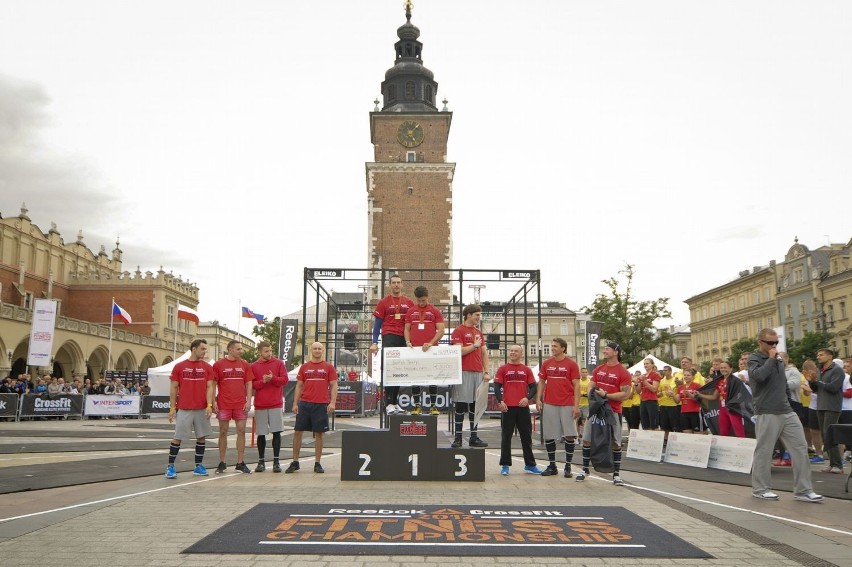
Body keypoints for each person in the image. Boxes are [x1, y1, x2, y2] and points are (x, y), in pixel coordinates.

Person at [747, 328, 822, 502]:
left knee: (800, 448)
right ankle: (760, 489)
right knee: (764, 451)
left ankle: (803, 490)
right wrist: (772, 360)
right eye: (770, 342)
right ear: (760, 342)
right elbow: (758, 377)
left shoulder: (779, 360)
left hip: (786, 410)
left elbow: (783, 384)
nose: (774, 345)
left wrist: (790, 403)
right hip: (766, 410)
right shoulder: (754, 359)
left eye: (776, 342)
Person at [577, 342, 632, 485]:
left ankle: (616, 474)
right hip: (596, 410)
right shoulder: (599, 369)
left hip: (613, 411)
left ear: (616, 352)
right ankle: (584, 469)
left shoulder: (623, 372)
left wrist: (606, 395)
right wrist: (590, 392)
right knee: (587, 439)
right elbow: (592, 383)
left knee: (615, 442)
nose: (605, 351)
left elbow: (626, 394)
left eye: (607, 349)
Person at [165, 339, 216, 479]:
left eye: (206, 349)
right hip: (185, 408)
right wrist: (172, 408)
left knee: (201, 437)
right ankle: (170, 467)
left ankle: (198, 466)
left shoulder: (207, 367)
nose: (205, 351)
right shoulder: (179, 366)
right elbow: (174, 388)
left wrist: (209, 405)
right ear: (194, 349)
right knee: (178, 437)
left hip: (201, 408)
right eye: (202, 349)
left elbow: (210, 387)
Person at [287, 342, 338, 473]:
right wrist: (295, 403)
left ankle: (317, 463)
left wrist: (332, 402)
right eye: (314, 348)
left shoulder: (329, 367)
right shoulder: (304, 367)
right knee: (298, 431)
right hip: (305, 403)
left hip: (321, 404)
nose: (317, 351)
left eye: (319, 349)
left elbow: (334, 385)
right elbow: (299, 386)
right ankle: (295, 461)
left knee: (319, 434)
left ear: (323, 350)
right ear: (311, 350)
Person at [536, 338, 580, 477]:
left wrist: (576, 406)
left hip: (567, 403)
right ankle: (552, 465)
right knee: (549, 435)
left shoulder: (571, 364)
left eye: (555, 346)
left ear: (563, 348)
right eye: (551, 346)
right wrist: (538, 398)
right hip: (550, 403)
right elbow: (542, 382)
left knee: (569, 435)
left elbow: (577, 385)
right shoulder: (547, 363)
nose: (552, 348)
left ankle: (568, 466)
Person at [495, 345, 542, 475]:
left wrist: (527, 398)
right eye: (511, 351)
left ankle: (530, 465)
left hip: (522, 408)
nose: (513, 353)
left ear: (521, 353)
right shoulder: (503, 369)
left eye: (516, 351)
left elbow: (533, 387)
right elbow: (497, 386)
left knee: (526, 437)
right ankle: (505, 465)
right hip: (507, 408)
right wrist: (500, 401)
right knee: (506, 437)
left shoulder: (526, 370)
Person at [370, 274, 414, 415]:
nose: (396, 285)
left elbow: (412, 323)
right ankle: (388, 403)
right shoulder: (383, 302)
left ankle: (395, 403)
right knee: (389, 369)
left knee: (399, 370)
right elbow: (377, 325)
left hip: (404, 337)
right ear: (389, 285)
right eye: (393, 282)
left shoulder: (409, 302)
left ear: (402, 284)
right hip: (389, 336)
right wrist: (374, 342)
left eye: (398, 282)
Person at [450, 304, 489, 448]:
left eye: (480, 315)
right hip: (463, 371)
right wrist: (474, 346)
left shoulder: (479, 332)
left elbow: (484, 353)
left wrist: (486, 371)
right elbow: (458, 351)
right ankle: (458, 438)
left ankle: (474, 436)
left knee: (475, 405)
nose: (479, 317)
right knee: (461, 405)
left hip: (478, 372)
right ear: (468, 315)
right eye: (477, 315)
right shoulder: (458, 330)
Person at [212, 340, 254, 474]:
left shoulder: (245, 364)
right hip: (224, 403)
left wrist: (248, 401)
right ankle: (222, 462)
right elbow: (213, 384)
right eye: (238, 349)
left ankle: (240, 462)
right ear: (230, 349)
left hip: (240, 404)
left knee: (241, 431)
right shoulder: (218, 365)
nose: (241, 351)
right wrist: (213, 401)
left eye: (241, 349)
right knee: (223, 431)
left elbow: (248, 383)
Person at [404, 285, 445, 415]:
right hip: (415, 350)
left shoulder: (435, 311)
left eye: (423, 300)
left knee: (432, 378)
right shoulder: (411, 311)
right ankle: (417, 406)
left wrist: (431, 343)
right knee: (415, 378)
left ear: (428, 297)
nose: (421, 303)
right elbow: (407, 329)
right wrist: (408, 341)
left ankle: (433, 406)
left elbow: (441, 330)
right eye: (419, 300)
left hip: (431, 351)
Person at [251, 340, 288, 473]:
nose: (269, 353)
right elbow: (252, 385)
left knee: (277, 432)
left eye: (270, 350)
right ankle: (261, 461)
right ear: (260, 352)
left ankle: (276, 461)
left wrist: (273, 379)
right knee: (261, 434)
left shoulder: (278, 363)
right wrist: (263, 381)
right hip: (260, 404)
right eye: (266, 351)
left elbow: (285, 380)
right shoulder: (254, 366)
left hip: (275, 403)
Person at [806, 349, 845, 474]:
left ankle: (838, 465)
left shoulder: (837, 370)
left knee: (830, 434)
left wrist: (817, 381)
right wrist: (811, 381)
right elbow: (816, 390)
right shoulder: (820, 370)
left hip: (832, 406)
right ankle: (832, 464)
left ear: (830, 356)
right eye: (817, 354)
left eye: (821, 354)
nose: (818, 357)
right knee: (825, 435)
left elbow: (833, 387)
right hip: (821, 405)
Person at [673, 367, 704, 433]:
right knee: (686, 433)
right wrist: (672, 395)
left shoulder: (697, 386)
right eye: (685, 375)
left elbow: (699, 400)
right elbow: (677, 401)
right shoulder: (680, 387)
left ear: (693, 377)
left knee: (697, 433)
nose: (686, 377)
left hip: (694, 412)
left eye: (688, 375)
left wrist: (689, 394)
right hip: (683, 412)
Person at [658, 365, 681, 438]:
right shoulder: (661, 381)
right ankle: (666, 440)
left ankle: (675, 440)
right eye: (663, 370)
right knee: (665, 426)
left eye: (666, 370)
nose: (664, 372)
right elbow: (658, 392)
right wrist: (659, 394)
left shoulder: (675, 380)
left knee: (675, 425)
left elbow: (678, 391)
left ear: (670, 371)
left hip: (673, 405)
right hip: (663, 405)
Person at [638, 359, 660, 430]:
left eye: (647, 363)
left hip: (651, 401)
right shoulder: (643, 375)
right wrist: (636, 383)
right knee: (645, 425)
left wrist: (644, 381)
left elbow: (654, 389)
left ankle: (655, 440)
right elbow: (638, 391)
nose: (645, 365)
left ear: (652, 365)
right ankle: (647, 440)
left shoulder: (655, 375)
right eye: (644, 364)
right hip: (643, 401)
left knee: (653, 425)